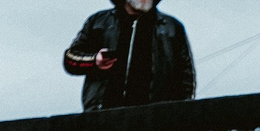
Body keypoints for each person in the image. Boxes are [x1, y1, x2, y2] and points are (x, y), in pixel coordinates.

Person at [63, 0, 195, 112]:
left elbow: (186, 78)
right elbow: (70, 59)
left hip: (156, 120)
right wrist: (94, 61)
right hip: (103, 117)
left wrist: (180, 114)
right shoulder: (99, 23)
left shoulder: (172, 28)